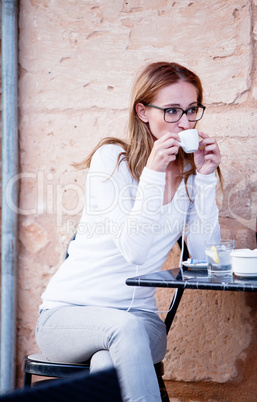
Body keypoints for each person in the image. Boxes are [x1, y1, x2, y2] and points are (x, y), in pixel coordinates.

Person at [36, 61, 221, 401]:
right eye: (172, 111)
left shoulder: (189, 175)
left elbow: (207, 257)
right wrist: (152, 172)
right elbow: (134, 250)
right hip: (67, 318)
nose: (184, 122)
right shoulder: (112, 160)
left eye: (192, 110)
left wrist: (206, 177)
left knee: (110, 359)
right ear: (142, 112)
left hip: (140, 321)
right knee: (121, 334)